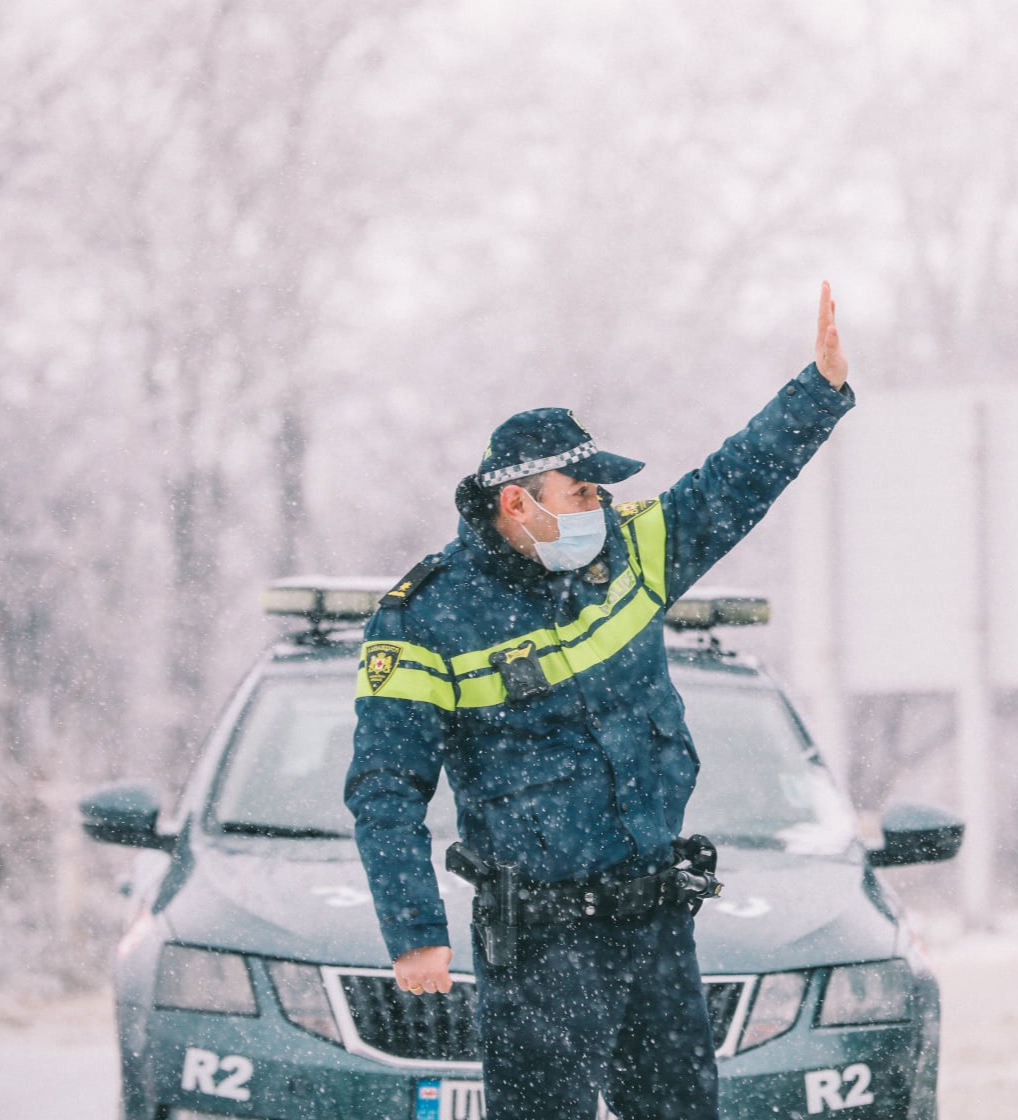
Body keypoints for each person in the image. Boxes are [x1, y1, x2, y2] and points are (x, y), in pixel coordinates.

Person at [346, 281, 853, 1119]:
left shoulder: (630, 553)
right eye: (580, 494)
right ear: (519, 502)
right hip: (541, 941)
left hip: (654, 916)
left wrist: (819, 391)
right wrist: (415, 931)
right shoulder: (426, 618)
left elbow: (732, 485)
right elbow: (386, 787)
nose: (600, 507)